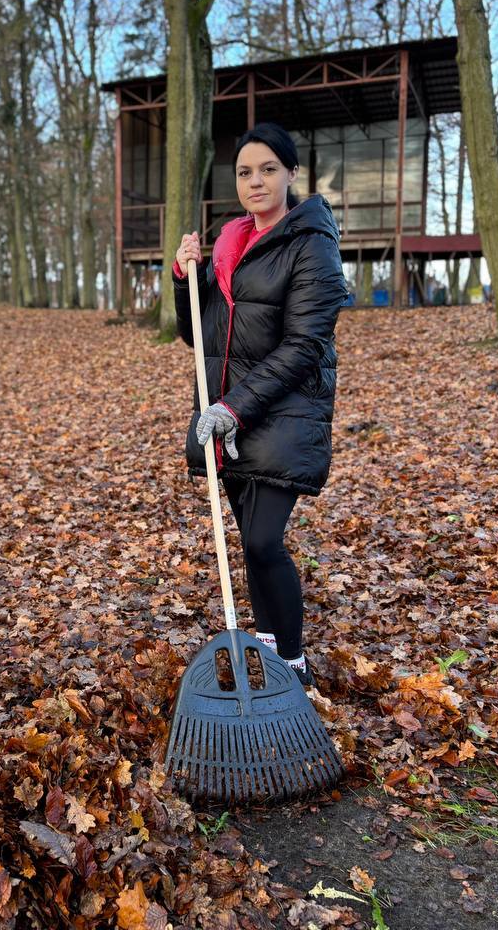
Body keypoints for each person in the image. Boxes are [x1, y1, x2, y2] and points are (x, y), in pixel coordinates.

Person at [173, 122, 348, 689]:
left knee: (265, 539)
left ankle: (292, 665)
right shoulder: (228, 243)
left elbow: (305, 345)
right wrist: (184, 278)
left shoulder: (312, 245)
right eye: (245, 172)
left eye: (268, 169)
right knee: (251, 541)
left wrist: (234, 408)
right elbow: (194, 334)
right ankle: (271, 651)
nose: (256, 181)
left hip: (281, 412)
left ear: (292, 174)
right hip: (229, 417)